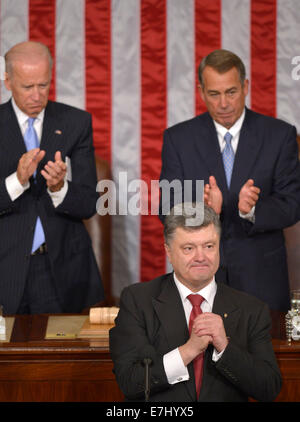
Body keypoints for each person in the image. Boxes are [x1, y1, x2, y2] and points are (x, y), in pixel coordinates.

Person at [159, 49, 300, 311]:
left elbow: (292, 204)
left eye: (231, 92)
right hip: (199, 282)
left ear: (245, 87)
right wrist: (203, 212)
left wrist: (253, 210)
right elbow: (166, 209)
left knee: (265, 352)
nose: (223, 103)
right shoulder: (178, 139)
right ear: (201, 92)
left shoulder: (279, 135)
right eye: (214, 94)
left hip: (262, 282)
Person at [109, 203, 282, 402]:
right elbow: (129, 382)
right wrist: (188, 351)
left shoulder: (251, 309)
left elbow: (269, 388)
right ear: (168, 252)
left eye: (209, 246)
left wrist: (224, 348)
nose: (201, 257)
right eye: (189, 248)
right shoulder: (138, 301)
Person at [0, 41, 104, 314]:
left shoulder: (75, 122)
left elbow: (89, 203)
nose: (37, 95)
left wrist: (59, 188)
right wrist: (17, 181)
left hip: (61, 269)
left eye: (43, 85)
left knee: (63, 356)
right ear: (7, 81)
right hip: (6, 267)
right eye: (27, 86)